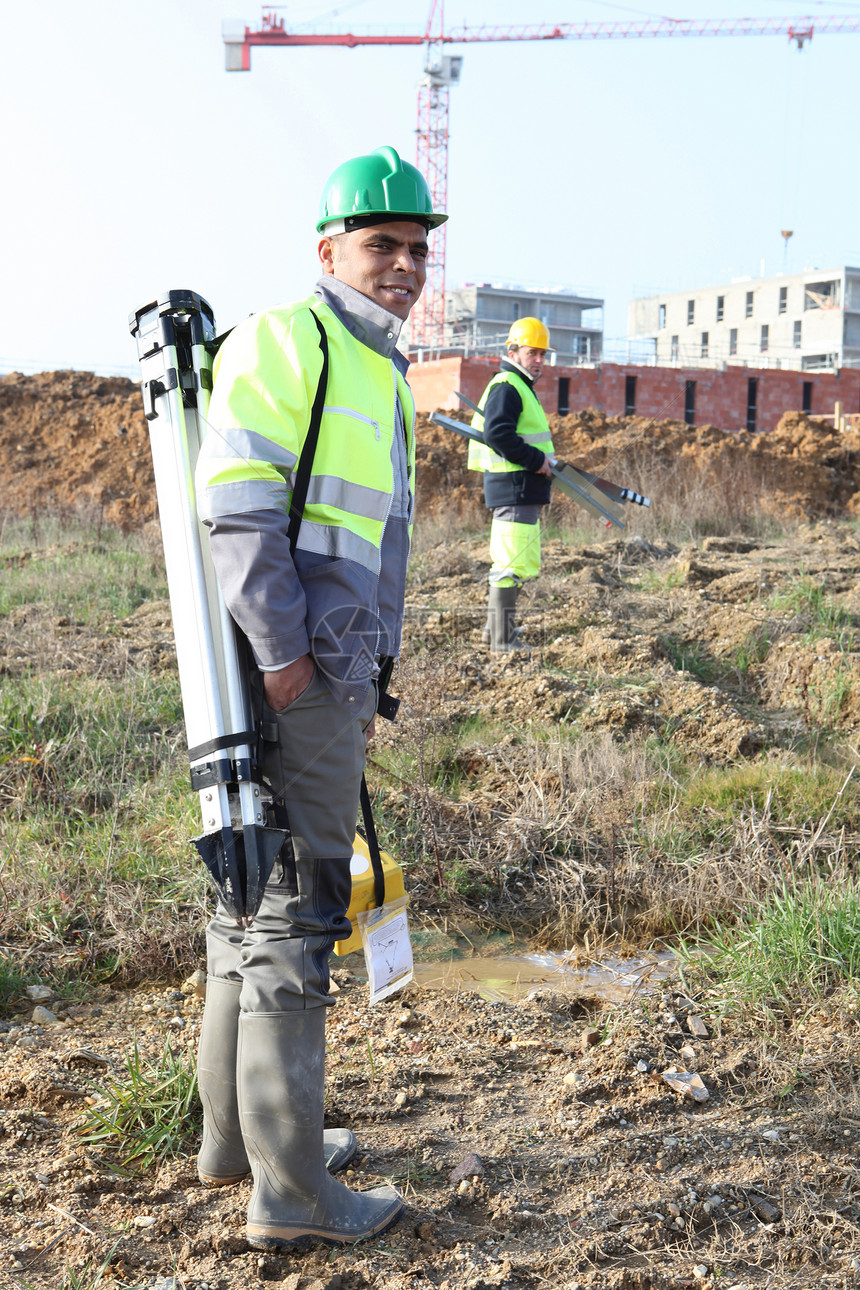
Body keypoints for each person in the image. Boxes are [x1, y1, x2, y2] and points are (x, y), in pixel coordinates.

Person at [192, 145, 446, 1251]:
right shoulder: (289, 338)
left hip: (325, 669)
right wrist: (295, 668)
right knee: (297, 915)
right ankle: (292, 1200)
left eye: (417, 248)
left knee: (245, 901)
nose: (403, 264)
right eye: (382, 244)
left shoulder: (377, 368)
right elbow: (239, 507)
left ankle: (238, 1144)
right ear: (328, 249)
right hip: (294, 673)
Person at [467, 317, 555, 650]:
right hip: (515, 486)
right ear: (513, 350)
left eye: (543, 354)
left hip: (519, 488)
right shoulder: (508, 385)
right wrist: (536, 460)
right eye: (533, 352)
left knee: (511, 560)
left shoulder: (516, 385)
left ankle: (496, 634)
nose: (539, 360)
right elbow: (498, 434)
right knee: (511, 563)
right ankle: (504, 640)